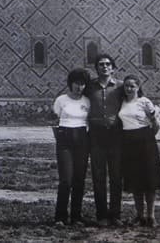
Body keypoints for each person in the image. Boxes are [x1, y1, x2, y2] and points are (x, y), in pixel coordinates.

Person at [118, 74, 160, 227]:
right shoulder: (122, 102)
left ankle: (151, 216)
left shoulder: (144, 102)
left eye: (132, 86)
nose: (129, 89)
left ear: (138, 87)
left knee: (149, 180)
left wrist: (149, 136)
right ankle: (139, 216)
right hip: (127, 141)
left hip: (145, 141)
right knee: (135, 180)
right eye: (126, 86)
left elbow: (156, 123)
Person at [83, 54, 124, 227]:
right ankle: (101, 215)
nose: (105, 67)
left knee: (116, 176)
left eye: (108, 64)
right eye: (101, 64)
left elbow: (134, 102)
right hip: (96, 135)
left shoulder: (121, 86)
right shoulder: (90, 87)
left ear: (113, 68)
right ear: (96, 68)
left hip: (116, 135)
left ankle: (115, 215)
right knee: (98, 175)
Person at [52, 68, 92, 226]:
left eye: (82, 84)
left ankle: (76, 216)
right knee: (66, 180)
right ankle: (60, 217)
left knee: (79, 180)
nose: (79, 87)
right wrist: (61, 139)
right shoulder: (61, 100)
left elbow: (89, 122)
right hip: (65, 141)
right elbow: (54, 121)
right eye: (76, 83)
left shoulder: (87, 101)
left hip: (82, 139)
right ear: (70, 83)